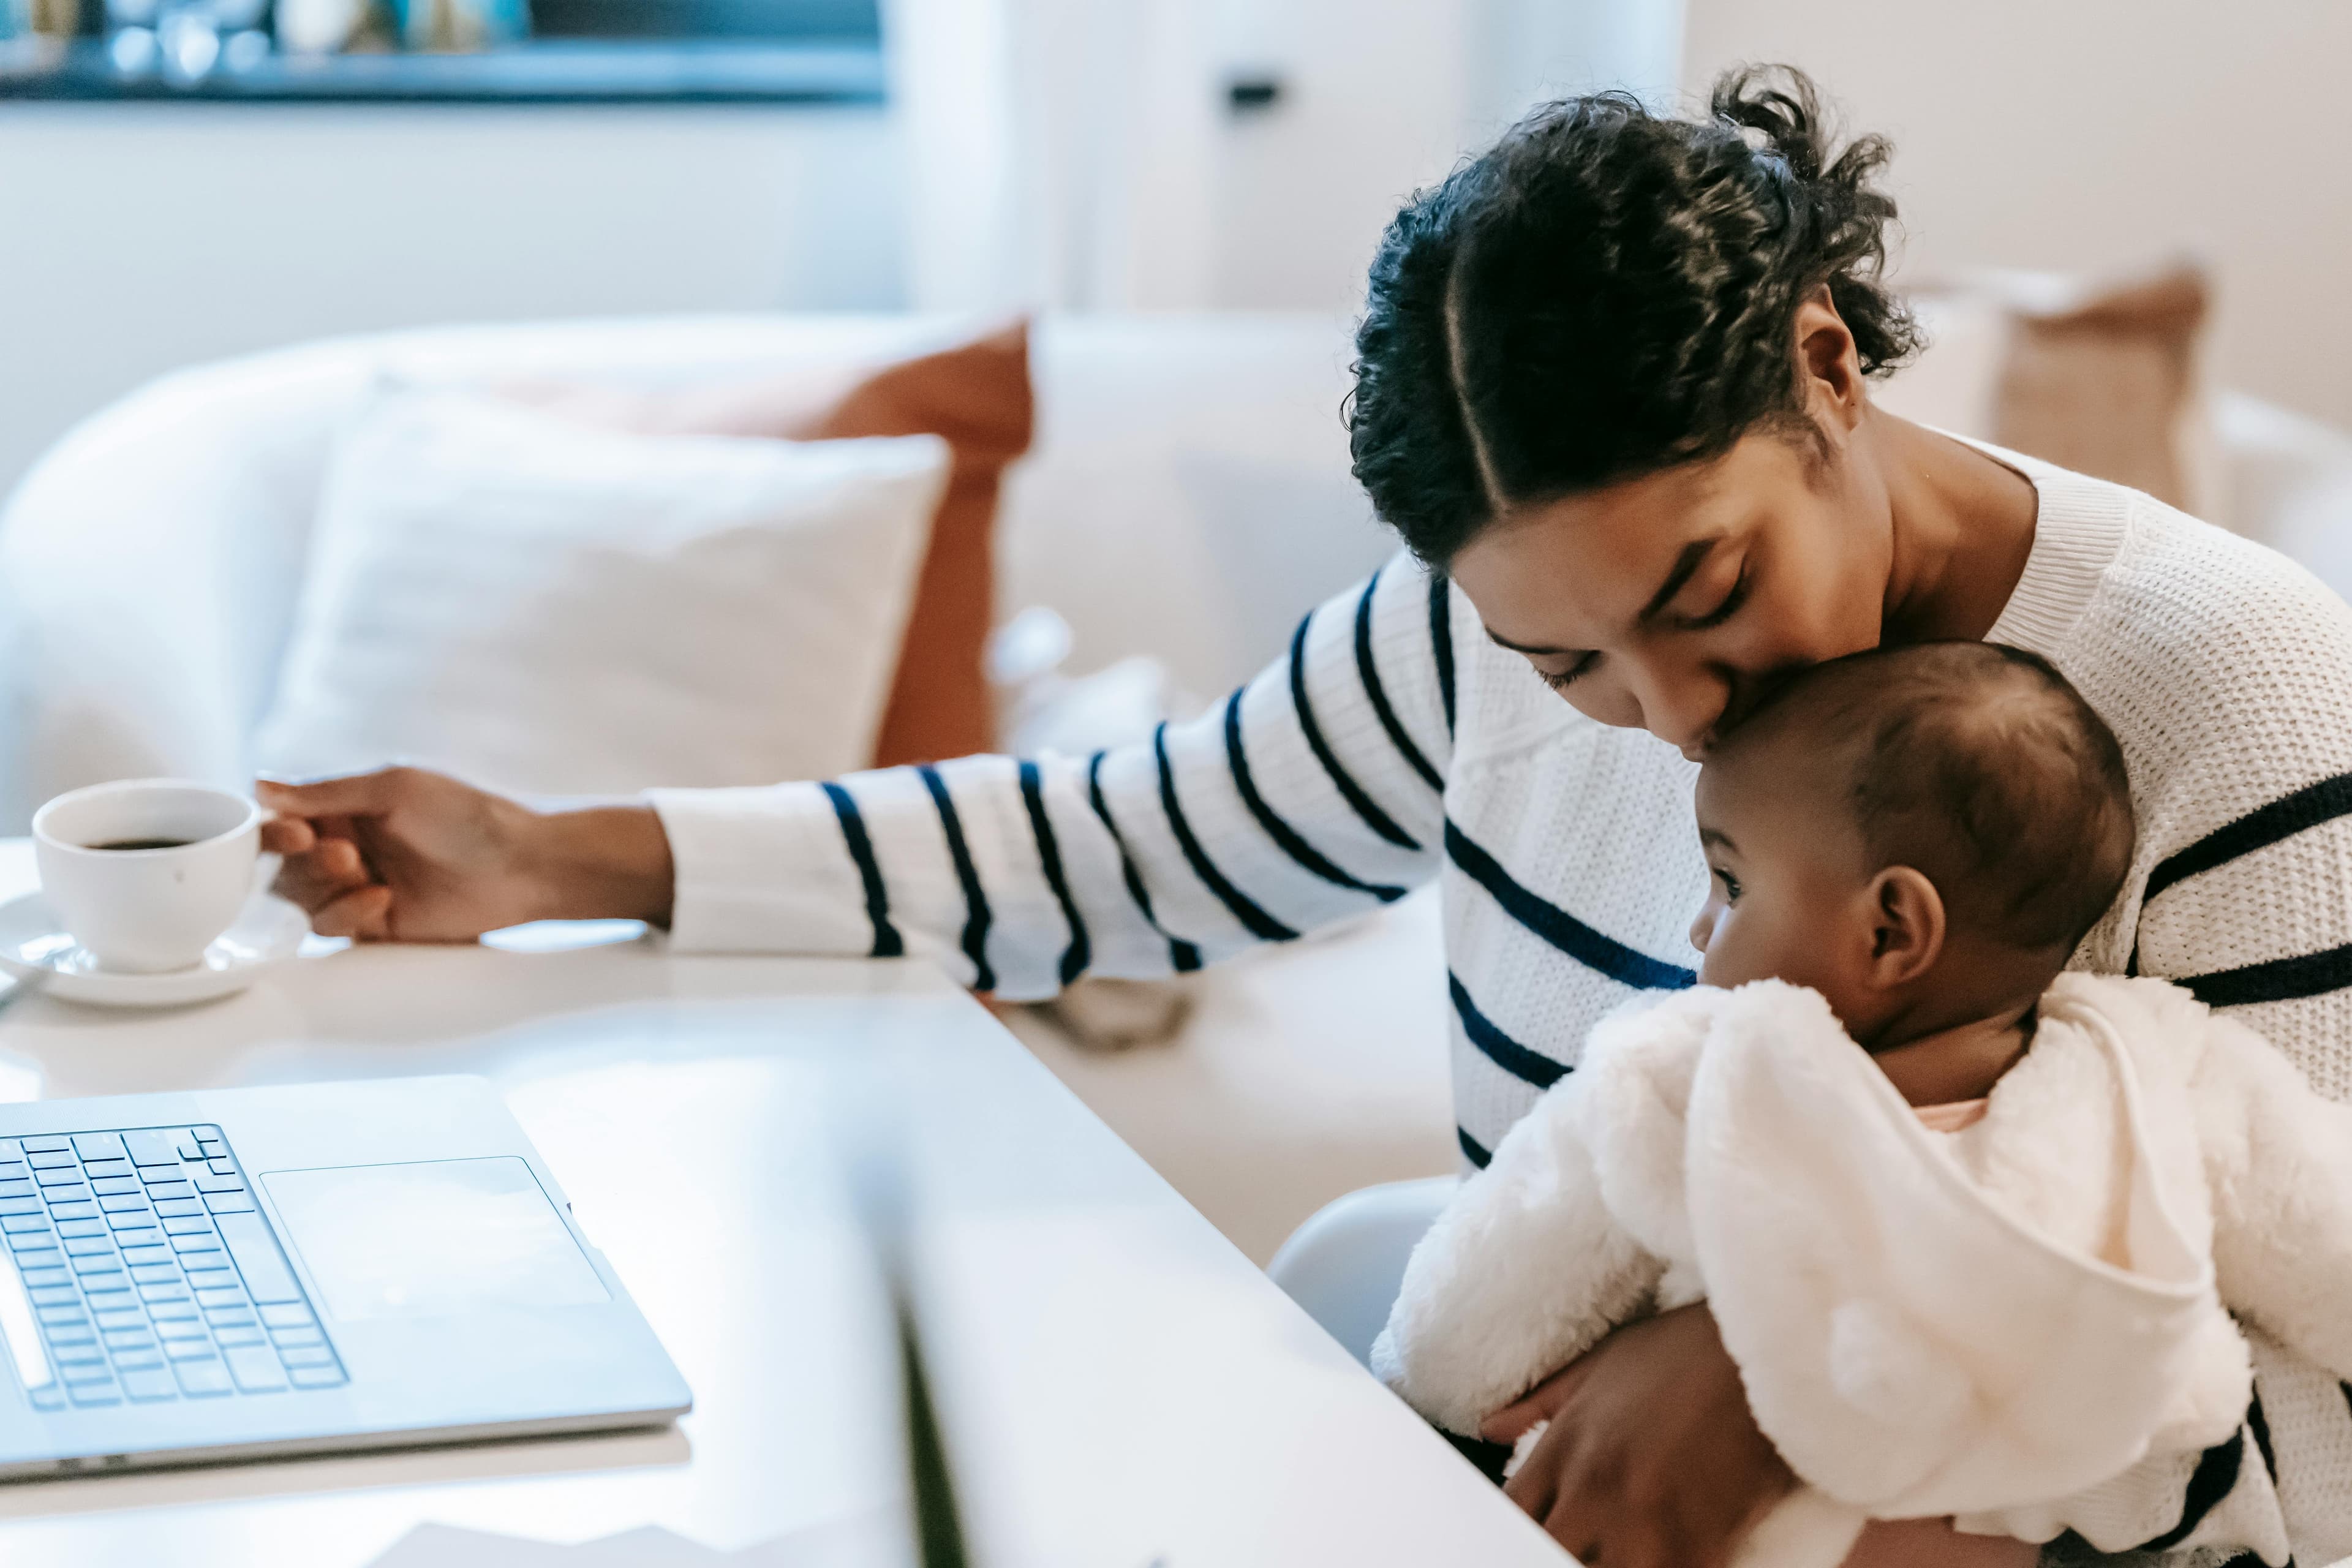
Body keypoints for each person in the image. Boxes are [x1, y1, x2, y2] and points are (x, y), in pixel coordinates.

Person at [259, 66, 2352, 1568]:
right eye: (1567, 665)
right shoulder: (1465, 648)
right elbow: (1125, 853)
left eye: (1705, 596)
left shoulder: (2229, 693)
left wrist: (1782, 1380)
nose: (1667, 719)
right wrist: (552, 859)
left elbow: (2318, 1443)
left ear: (1827, 368)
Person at [1376, 641, 2352, 1568]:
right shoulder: (2173, 1074)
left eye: (1731, 882)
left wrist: (1416, 1388)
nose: (1699, 923)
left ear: (1891, 930)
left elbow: (1467, 1329)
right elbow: (2327, 1253)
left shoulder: (1696, 1077)